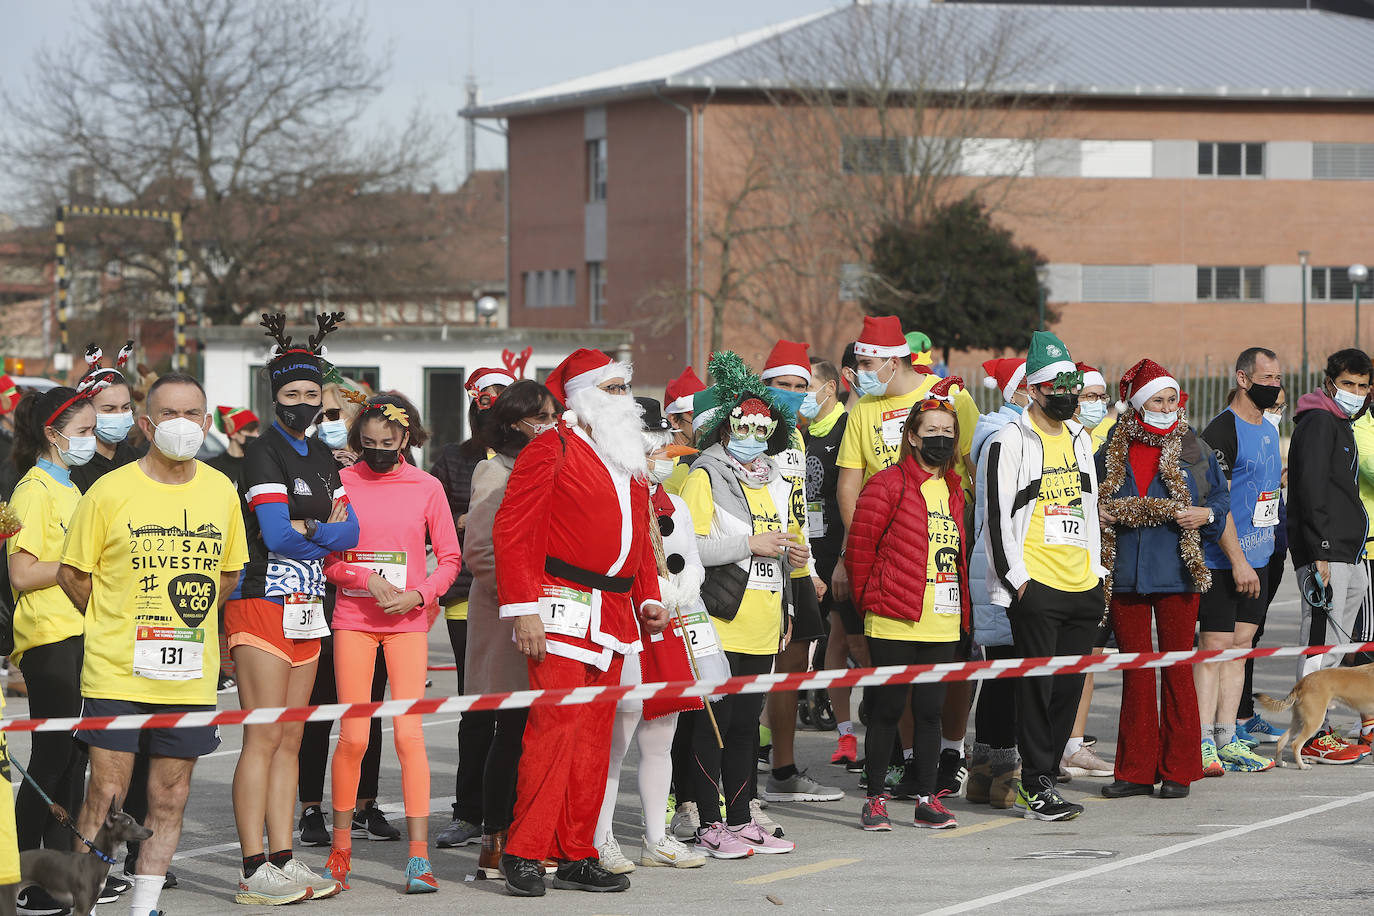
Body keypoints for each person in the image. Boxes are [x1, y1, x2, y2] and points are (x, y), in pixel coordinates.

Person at [57, 372, 249, 916]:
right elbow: (75, 575)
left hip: (188, 673)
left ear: (207, 423)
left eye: (192, 415)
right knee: (106, 794)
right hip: (117, 669)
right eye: (169, 415)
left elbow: (228, 575)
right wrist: (118, 620)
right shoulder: (109, 489)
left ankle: (144, 906)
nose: (181, 425)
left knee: (170, 796)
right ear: (146, 424)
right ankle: (84, 906)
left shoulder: (219, 489)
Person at [492, 348, 671, 897]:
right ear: (581, 396)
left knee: (596, 735)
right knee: (555, 728)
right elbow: (514, 531)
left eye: (624, 388)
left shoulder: (629, 458)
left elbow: (641, 539)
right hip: (559, 602)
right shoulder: (551, 447)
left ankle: (577, 850)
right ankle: (524, 850)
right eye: (613, 388)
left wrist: (649, 597)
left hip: (615, 612)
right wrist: (523, 608)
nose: (625, 399)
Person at [226, 313, 356, 905]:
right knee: (262, 736)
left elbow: (351, 529)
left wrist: (317, 529)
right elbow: (275, 536)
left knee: (291, 740)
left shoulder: (325, 457)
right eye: (291, 395)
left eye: (311, 395)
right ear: (273, 395)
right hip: (260, 601)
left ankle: (283, 855)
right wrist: (318, 527)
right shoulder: (262, 452)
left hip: (308, 604)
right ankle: (254, 865)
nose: (302, 404)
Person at [321, 394, 460, 894]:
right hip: (354, 618)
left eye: (389, 442)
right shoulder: (343, 482)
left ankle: (418, 859)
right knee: (354, 736)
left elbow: (449, 558)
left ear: (407, 438)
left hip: (407, 623)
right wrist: (364, 577)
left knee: (408, 736)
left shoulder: (427, 487)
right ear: (358, 439)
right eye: (369, 443)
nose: (379, 451)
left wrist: (420, 593)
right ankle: (340, 852)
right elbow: (330, 561)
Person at [679, 351, 803, 859]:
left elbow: (792, 544)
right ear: (724, 430)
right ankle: (708, 823)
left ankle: (739, 816)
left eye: (760, 426)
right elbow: (686, 551)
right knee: (715, 727)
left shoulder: (777, 478)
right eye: (741, 426)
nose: (751, 436)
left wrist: (791, 600)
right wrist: (749, 543)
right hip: (718, 620)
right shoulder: (703, 476)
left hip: (764, 620)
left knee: (747, 730)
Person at [984, 330, 1106, 822]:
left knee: (1067, 690)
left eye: (1072, 384)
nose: (1068, 395)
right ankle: (1035, 784)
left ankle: (1046, 779)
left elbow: (1090, 508)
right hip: (1036, 585)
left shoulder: (1079, 437)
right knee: (1035, 689)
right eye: (1056, 386)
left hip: (1083, 584)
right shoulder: (1008, 439)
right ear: (1033, 390)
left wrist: (1097, 573)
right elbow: (995, 516)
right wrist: (1017, 581)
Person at [1097, 359, 1230, 799]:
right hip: (1126, 575)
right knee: (1136, 675)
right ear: (1137, 403)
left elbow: (1220, 500)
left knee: (1176, 670)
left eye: (1172, 398)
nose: (1167, 406)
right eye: (1158, 399)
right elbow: (1084, 492)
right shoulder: (1110, 446)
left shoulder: (1195, 447)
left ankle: (1179, 769)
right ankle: (1134, 770)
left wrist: (1207, 514)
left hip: (1178, 572)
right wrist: (1095, 511)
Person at [847, 377, 971, 831]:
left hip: (942, 620)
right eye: (931, 431)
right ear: (913, 437)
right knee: (886, 710)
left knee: (931, 713)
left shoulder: (955, 489)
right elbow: (860, 551)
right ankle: (876, 798)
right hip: (894, 619)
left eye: (947, 431)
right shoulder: (886, 484)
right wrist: (869, 607)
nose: (939, 438)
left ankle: (926, 798)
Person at [593, 397, 707, 873]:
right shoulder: (613, 499)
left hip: (669, 626)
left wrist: (677, 594)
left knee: (661, 736)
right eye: (654, 447)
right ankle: (601, 839)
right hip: (624, 628)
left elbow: (693, 562)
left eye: (666, 446)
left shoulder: (676, 504)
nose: (663, 456)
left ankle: (656, 838)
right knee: (615, 740)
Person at [459, 380, 558, 877]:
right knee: (513, 730)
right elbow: (480, 552)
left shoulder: (558, 466)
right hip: (509, 619)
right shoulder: (493, 471)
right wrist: (527, 602)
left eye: (552, 415)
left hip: (556, 615)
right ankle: (495, 837)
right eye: (539, 417)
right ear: (515, 421)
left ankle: (537, 836)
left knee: (545, 730)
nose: (549, 425)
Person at [5, 386, 98, 915]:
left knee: (72, 761)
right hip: (49, 635)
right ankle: (23, 876)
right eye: (83, 432)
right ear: (53, 434)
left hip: (81, 631)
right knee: (52, 756)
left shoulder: (71, 486)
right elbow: (21, 572)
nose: (89, 441)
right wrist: (74, 571)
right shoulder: (32, 491)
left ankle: (56, 875)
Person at [296, 381, 396, 849]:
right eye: (322, 413)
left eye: (337, 414)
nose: (327, 421)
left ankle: (365, 802)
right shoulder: (305, 466)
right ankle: (311, 808)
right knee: (318, 709)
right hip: (317, 599)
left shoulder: (380, 470)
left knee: (368, 710)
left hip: (367, 606)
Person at [431, 365, 514, 849]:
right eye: (486, 399)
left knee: (520, 712)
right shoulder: (454, 459)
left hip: (529, 598)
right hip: (468, 595)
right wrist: (468, 518)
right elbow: (433, 520)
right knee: (479, 710)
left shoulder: (531, 453)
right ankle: (468, 812)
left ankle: (508, 811)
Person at [1194, 347, 1286, 774]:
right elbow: (1219, 503)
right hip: (1224, 560)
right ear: (1243, 379)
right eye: (1267, 379)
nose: (1276, 386)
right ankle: (1200, 740)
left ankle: (1228, 736)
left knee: (1241, 646)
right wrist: (1238, 560)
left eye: (1278, 379)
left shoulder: (1267, 428)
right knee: (1213, 646)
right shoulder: (1220, 432)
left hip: (1261, 556)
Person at [758, 340, 841, 807]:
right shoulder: (746, 431)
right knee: (748, 671)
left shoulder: (797, 435)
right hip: (753, 568)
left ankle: (783, 770)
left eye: (799, 386)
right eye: (781, 386)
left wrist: (807, 567)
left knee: (793, 667)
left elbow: (795, 509)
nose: (791, 394)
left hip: (794, 566)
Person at [1286, 348, 1373, 763]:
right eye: (1348, 385)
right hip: (1326, 550)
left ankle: (1318, 729)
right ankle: (1312, 734)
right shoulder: (1320, 422)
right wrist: (1319, 550)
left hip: (1348, 550)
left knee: (1337, 648)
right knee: (1319, 646)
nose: (1355, 392)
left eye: (1362, 385)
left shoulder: (1341, 423)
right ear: (1329, 383)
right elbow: (1311, 490)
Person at [967, 358, 1029, 809]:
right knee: (1009, 675)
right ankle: (1004, 772)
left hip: (1001, 564)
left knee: (1001, 674)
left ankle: (985, 770)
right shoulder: (1004, 440)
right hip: (1004, 568)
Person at [800, 358, 862, 770]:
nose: (802, 397)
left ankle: (877, 735)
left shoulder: (847, 429)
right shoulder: (801, 436)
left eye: (808, 386)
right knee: (813, 646)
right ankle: (845, 735)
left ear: (829, 388)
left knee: (855, 643)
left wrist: (844, 558)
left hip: (844, 557)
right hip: (809, 557)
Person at [1060, 361, 1116, 781]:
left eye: (1102, 397)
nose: (1099, 404)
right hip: (1057, 566)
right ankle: (1048, 746)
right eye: (1091, 397)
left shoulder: (1107, 440)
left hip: (1096, 566)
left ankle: (1074, 745)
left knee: (1090, 659)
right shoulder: (1064, 439)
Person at [1236, 389, 1290, 745]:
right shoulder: (1235, 434)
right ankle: (1231, 720)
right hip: (1242, 555)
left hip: (1272, 549)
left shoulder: (1272, 441)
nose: (1277, 413)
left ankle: (1245, 715)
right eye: (1272, 407)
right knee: (1236, 639)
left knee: (1254, 636)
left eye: (1282, 407)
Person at [69, 342, 141, 494]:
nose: (119, 415)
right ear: (86, 411)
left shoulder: (141, 462)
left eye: (126, 407)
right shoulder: (71, 467)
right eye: (109, 409)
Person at [208, 407, 261, 490]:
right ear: (233, 433)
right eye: (250, 430)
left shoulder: (259, 465)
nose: (256, 435)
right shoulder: (211, 467)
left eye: (257, 431)